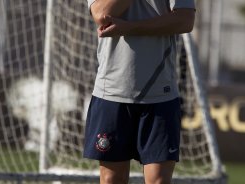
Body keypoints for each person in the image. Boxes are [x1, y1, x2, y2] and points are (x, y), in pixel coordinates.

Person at [83, 0, 195, 183]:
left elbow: (185, 19)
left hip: (161, 93)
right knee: (112, 179)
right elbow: (102, 14)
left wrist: (130, 28)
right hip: (112, 90)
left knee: (158, 180)